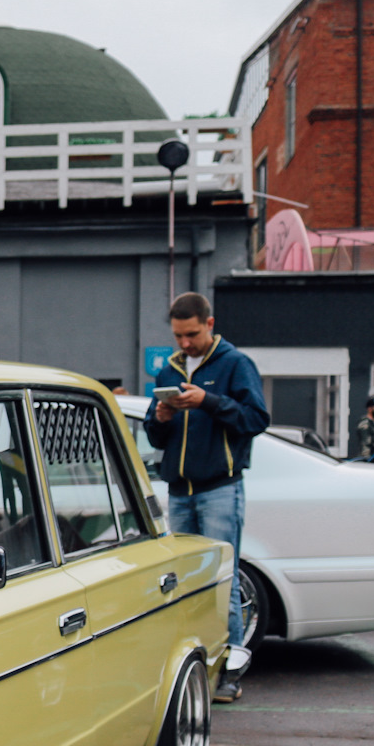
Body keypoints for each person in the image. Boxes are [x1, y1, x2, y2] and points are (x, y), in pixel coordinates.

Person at [144, 291, 268, 704]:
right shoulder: (171, 369)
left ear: (209, 325)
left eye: (192, 334)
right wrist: (160, 417)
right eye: (179, 336)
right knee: (185, 587)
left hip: (219, 489)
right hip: (180, 491)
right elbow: (154, 434)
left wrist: (208, 401)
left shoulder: (235, 364)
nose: (185, 344)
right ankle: (194, 669)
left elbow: (256, 419)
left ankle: (230, 673)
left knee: (223, 584)